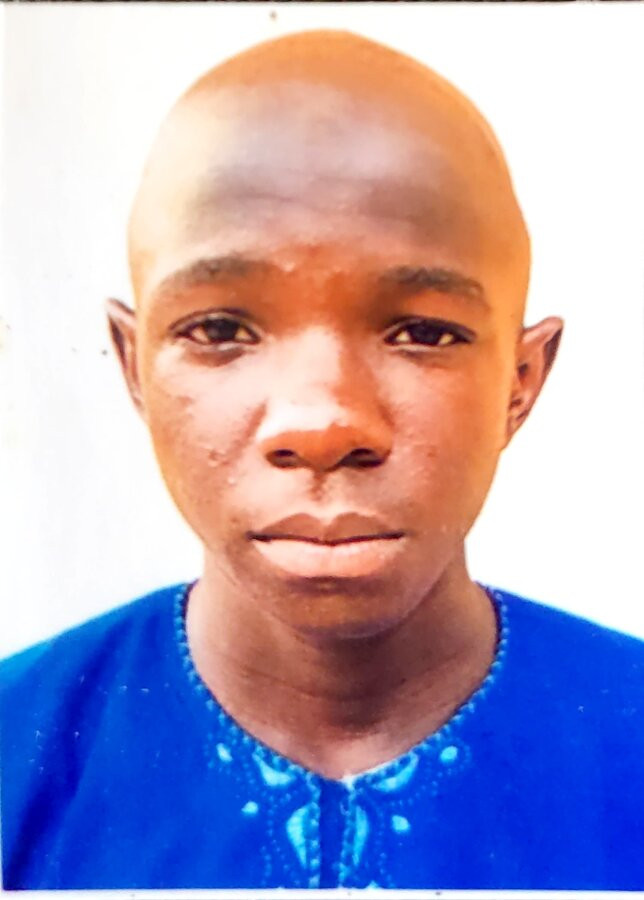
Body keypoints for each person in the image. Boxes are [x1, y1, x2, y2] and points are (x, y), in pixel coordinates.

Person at [1, 29, 643, 891]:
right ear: (135, 367)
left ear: (520, 382)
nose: (324, 423)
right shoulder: (19, 751)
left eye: (423, 333)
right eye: (220, 330)